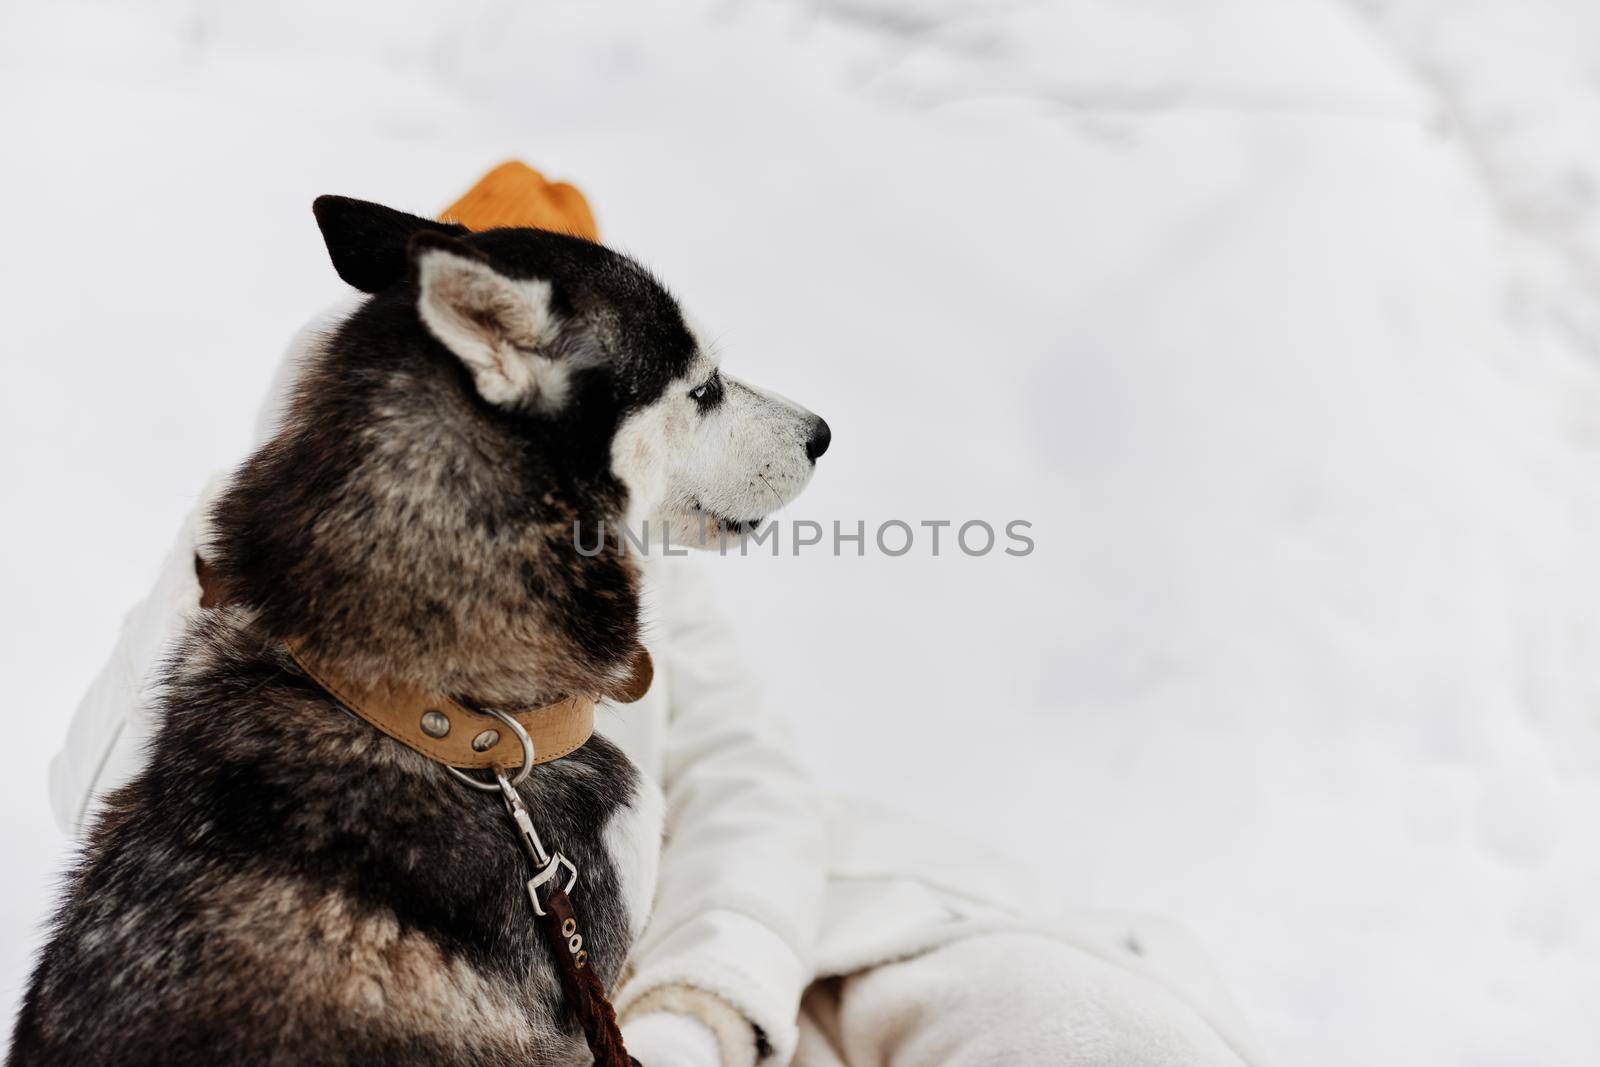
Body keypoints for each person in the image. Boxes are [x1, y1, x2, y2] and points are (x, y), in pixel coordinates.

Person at [48, 164, 1264, 1067]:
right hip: (469, 978)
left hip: (755, 947)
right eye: (694, 393)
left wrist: (702, 1005)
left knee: (1091, 1029)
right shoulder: (267, 571)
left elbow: (747, 775)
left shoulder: (632, 563)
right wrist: (241, 537)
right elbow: (113, 793)